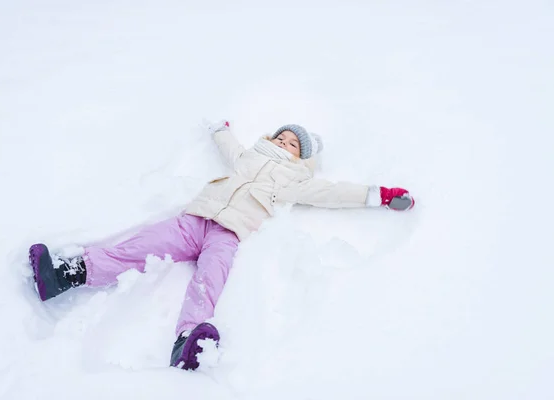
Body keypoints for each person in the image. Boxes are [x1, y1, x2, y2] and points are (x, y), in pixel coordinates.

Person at [28, 121, 415, 371]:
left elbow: (334, 193)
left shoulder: (297, 179)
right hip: (194, 220)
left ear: (303, 157)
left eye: (293, 143)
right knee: (139, 245)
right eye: (281, 136)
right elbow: (229, 146)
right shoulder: (250, 155)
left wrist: (379, 195)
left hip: (227, 233)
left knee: (209, 280)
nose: (284, 142)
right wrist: (220, 128)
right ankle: (63, 276)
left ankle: (187, 342)